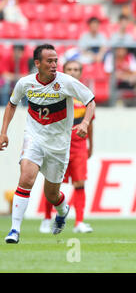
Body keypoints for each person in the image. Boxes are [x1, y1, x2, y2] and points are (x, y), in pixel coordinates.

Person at [1, 44, 96, 244]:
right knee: (26, 179)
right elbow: (11, 104)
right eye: (49, 61)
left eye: (55, 61)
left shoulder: (66, 82)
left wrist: (86, 123)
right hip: (34, 138)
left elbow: (90, 100)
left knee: (51, 195)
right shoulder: (25, 83)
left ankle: (62, 210)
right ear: (38, 63)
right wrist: (3, 133)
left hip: (59, 146)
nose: (54, 65)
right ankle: (14, 230)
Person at [40, 60, 94, 234]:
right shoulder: (55, 91)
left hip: (78, 145)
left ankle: (79, 222)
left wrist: (90, 145)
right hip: (58, 144)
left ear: (81, 72)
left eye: (76, 69)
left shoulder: (85, 95)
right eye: (69, 69)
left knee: (79, 183)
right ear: (64, 71)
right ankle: (47, 219)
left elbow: (90, 123)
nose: (73, 72)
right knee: (53, 183)